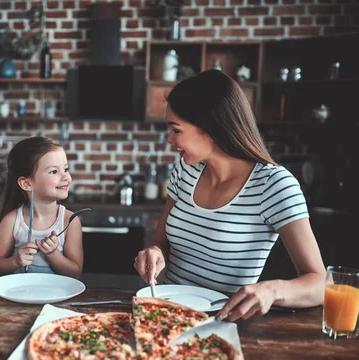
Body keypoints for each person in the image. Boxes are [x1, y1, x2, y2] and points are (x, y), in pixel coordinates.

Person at [134, 69, 325, 322]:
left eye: (176, 130)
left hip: (222, 324)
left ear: (211, 127)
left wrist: (270, 290)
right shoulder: (185, 169)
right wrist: (153, 252)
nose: (170, 139)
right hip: (162, 314)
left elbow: (319, 283)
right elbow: (161, 242)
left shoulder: (274, 185)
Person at [0, 136, 83, 278]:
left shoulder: (70, 221)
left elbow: (75, 272)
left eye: (66, 169)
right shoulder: (12, 220)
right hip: (19, 295)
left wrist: (53, 254)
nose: (66, 177)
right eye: (54, 171)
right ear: (27, 184)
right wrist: (15, 261)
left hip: (56, 297)